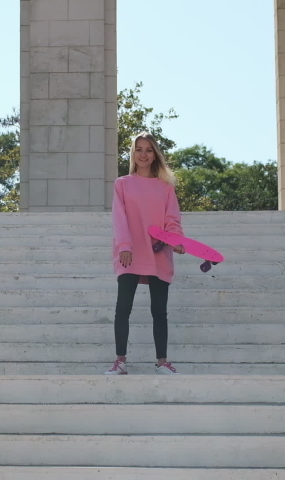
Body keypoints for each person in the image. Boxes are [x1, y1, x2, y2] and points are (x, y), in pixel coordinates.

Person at [105, 132, 185, 375]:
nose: (143, 154)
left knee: (159, 311)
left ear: (155, 154)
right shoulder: (122, 184)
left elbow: (172, 218)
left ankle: (162, 362)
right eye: (139, 149)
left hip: (158, 253)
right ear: (133, 153)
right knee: (123, 308)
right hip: (130, 252)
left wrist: (176, 241)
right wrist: (124, 246)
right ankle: (120, 361)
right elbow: (119, 218)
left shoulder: (166, 187)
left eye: (148, 150)